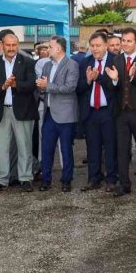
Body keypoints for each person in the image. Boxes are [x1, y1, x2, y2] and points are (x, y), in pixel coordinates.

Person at [0, 30, 38, 192]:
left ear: (18, 45)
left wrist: (15, 85)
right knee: (0, 148)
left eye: (14, 45)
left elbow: (32, 84)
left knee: (25, 147)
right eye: (8, 45)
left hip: (23, 111)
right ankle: (1, 179)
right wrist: (3, 86)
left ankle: (26, 178)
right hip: (0, 112)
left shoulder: (28, 62)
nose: (11, 48)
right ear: (2, 45)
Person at [110, 28, 136, 197]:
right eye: (124, 41)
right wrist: (114, 80)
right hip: (121, 112)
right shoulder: (116, 60)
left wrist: (134, 77)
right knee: (122, 150)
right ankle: (124, 184)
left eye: (129, 41)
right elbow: (112, 87)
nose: (125, 44)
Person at [36, 35, 79, 193]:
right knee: (46, 148)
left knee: (66, 149)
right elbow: (44, 87)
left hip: (66, 115)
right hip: (49, 113)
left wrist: (47, 86)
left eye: (50, 47)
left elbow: (69, 88)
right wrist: (41, 86)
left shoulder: (72, 65)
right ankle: (46, 179)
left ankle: (66, 180)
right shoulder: (47, 65)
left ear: (59, 48)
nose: (48, 50)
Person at [77, 31, 118, 192]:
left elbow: (116, 87)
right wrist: (87, 80)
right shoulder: (85, 62)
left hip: (109, 112)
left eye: (98, 45)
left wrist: (99, 77)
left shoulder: (115, 61)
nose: (95, 49)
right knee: (92, 147)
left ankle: (111, 179)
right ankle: (93, 178)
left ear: (106, 45)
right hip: (91, 112)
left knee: (110, 147)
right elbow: (78, 89)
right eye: (92, 46)